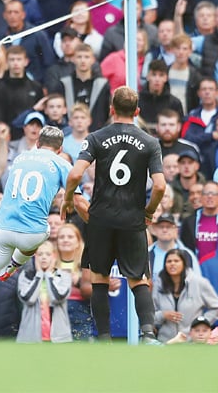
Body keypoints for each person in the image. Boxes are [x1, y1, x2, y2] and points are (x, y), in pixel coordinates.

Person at [62, 86, 167, 344]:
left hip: (101, 219)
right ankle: (147, 334)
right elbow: (161, 185)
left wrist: (68, 198)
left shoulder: (96, 137)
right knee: (138, 279)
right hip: (132, 220)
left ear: (111, 109)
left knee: (99, 278)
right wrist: (149, 212)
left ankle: (105, 339)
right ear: (138, 111)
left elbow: (75, 174)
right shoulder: (150, 142)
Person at [0, 126, 85, 342]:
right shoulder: (62, 163)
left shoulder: (22, 157)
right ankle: (13, 265)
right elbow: (77, 200)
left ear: (38, 144)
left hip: (2, 229)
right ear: (59, 149)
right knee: (45, 233)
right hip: (33, 233)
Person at [152, 248, 218, 343]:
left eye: (176, 261)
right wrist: (163, 315)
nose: (172, 264)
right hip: (166, 342)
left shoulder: (199, 283)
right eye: (169, 261)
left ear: (184, 263)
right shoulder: (159, 285)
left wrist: (201, 323)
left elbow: (216, 307)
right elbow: (150, 314)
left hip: (192, 342)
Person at [16, 240, 72, 343]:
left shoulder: (64, 276)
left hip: (59, 338)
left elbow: (57, 298)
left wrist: (48, 275)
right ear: (35, 257)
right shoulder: (26, 276)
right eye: (40, 254)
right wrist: (39, 274)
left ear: (54, 256)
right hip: (30, 338)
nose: (44, 257)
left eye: (48, 254)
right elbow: (29, 299)